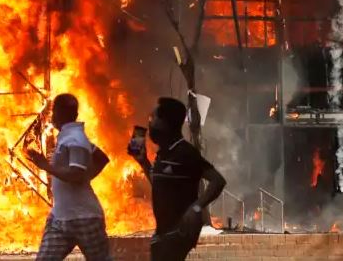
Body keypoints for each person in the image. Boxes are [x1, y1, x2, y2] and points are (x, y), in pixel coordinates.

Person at [128, 97, 226, 261]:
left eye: (153, 119)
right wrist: (143, 162)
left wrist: (196, 207)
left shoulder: (185, 153)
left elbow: (217, 180)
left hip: (178, 233)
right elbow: (160, 184)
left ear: (166, 123)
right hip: (164, 232)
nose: (150, 124)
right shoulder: (163, 153)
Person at [27, 93, 111, 261]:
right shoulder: (69, 137)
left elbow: (76, 173)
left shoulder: (75, 139)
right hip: (60, 217)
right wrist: (86, 177)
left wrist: (46, 166)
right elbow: (101, 158)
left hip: (85, 218)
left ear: (60, 113)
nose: (52, 116)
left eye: (53, 111)